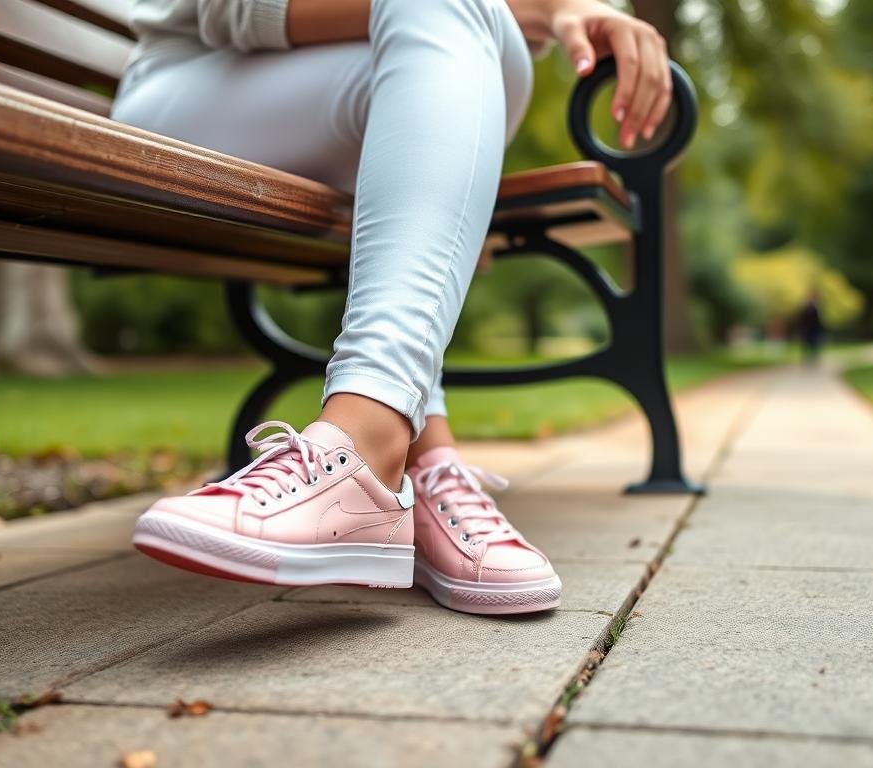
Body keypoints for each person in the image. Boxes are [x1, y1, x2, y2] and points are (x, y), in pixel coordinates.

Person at [118, 0, 672, 615]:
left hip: (373, 62)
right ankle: (369, 445)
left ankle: (418, 462)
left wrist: (561, 10)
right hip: (189, 89)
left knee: (459, 27)